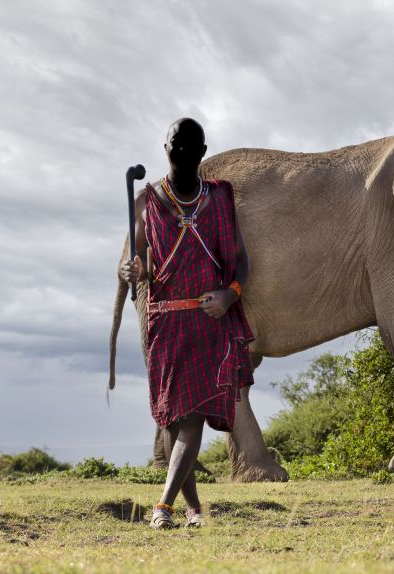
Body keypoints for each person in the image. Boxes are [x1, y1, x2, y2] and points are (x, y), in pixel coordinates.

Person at [120, 118, 254, 529]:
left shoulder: (219, 197)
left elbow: (243, 260)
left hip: (207, 317)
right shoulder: (147, 201)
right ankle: (195, 508)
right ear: (165, 148)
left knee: (191, 416)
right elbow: (142, 265)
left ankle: (162, 507)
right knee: (171, 419)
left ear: (202, 151)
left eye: (190, 141)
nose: (182, 146)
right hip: (164, 323)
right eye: (176, 139)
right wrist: (133, 270)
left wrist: (230, 294)